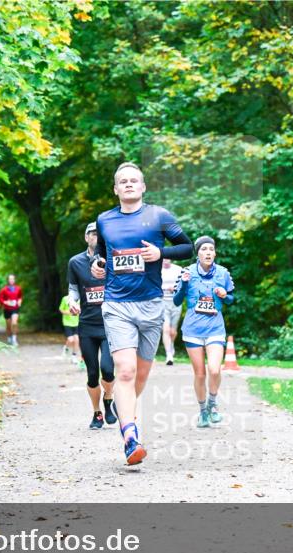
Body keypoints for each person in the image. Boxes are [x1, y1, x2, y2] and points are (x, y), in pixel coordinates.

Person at [91, 162, 194, 465]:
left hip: (151, 305)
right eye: (123, 181)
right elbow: (102, 254)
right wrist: (99, 264)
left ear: (143, 186)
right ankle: (129, 437)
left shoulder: (158, 216)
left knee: (140, 375)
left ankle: (128, 415)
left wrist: (161, 253)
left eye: (134, 180)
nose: (129, 185)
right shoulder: (104, 220)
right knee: (124, 370)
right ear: (115, 189)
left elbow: (187, 247)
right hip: (117, 304)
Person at [174, 236, 235, 427]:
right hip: (192, 329)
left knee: (215, 369)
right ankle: (202, 412)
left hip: (215, 328)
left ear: (215, 253)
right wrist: (183, 284)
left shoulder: (223, 273)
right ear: (197, 253)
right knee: (200, 374)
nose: (208, 252)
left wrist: (225, 296)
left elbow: (231, 299)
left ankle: (213, 404)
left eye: (211, 249)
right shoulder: (187, 272)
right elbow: (176, 301)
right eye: (204, 249)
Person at [68, 222, 117, 429]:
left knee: (107, 369)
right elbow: (73, 288)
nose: (96, 237)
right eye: (92, 234)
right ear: (86, 237)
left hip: (110, 323)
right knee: (91, 373)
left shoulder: (113, 259)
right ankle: (97, 412)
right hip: (87, 324)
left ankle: (109, 398)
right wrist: (72, 300)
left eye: (99, 234)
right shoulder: (75, 262)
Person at [161, 258, 184, 365]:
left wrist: (174, 288)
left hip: (176, 302)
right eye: (163, 259)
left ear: (171, 259)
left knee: (172, 331)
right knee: (165, 329)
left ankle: (171, 344)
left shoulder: (178, 269)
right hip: (162, 303)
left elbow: (184, 285)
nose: (165, 261)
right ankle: (169, 355)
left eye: (167, 259)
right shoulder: (157, 270)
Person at [0, 274, 23, 345]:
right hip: (7, 309)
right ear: (8, 280)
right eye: (10, 279)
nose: (11, 280)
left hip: (15, 308)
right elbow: (0, 299)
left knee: (14, 323)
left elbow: (20, 296)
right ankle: (9, 337)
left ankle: (14, 339)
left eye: (12, 279)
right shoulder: (4, 289)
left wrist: (19, 301)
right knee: (8, 326)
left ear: (14, 280)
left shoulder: (18, 288)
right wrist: (5, 302)